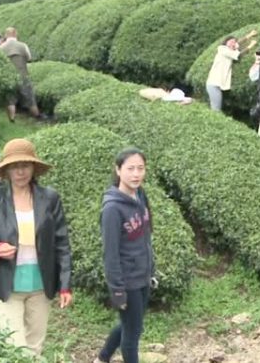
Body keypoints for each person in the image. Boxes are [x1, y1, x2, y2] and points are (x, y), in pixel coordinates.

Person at [0, 138, 73, 357]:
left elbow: (62, 243)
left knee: (35, 347)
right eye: (15, 166)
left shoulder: (50, 198)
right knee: (14, 349)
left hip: (40, 285)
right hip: (8, 285)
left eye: (25, 165)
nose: (20, 172)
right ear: (6, 170)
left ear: (34, 168)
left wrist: (65, 285)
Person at [94, 148, 157, 363]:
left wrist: (152, 268)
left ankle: (103, 358)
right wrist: (117, 290)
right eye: (130, 169)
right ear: (118, 170)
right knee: (132, 335)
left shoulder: (141, 195)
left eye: (140, 168)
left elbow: (146, 237)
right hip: (127, 280)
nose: (136, 174)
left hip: (143, 274)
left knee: (131, 323)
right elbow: (110, 254)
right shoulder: (112, 209)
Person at [0, 27, 45, 122]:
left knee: (10, 99)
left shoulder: (1, 48)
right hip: (23, 75)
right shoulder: (22, 46)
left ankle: (12, 119)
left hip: (9, 77)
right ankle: (37, 116)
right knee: (30, 98)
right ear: (15, 34)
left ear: (6, 35)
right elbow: (29, 58)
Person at [205, 30, 258, 111]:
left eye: (234, 42)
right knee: (216, 109)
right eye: (230, 41)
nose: (232, 43)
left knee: (217, 107)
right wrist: (251, 45)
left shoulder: (230, 50)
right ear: (225, 42)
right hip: (214, 84)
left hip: (218, 84)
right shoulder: (222, 49)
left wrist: (250, 35)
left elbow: (238, 43)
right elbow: (239, 55)